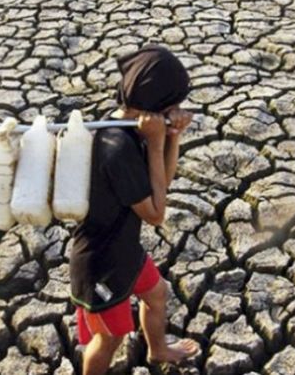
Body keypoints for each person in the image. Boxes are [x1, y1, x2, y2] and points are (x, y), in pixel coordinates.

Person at [69, 44, 200, 375]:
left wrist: (172, 136)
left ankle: (157, 350)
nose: (179, 107)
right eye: (174, 102)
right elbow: (156, 213)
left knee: (157, 295)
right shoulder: (116, 147)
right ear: (157, 101)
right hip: (100, 264)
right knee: (108, 341)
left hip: (124, 250)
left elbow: (161, 183)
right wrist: (156, 144)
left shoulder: (134, 128)